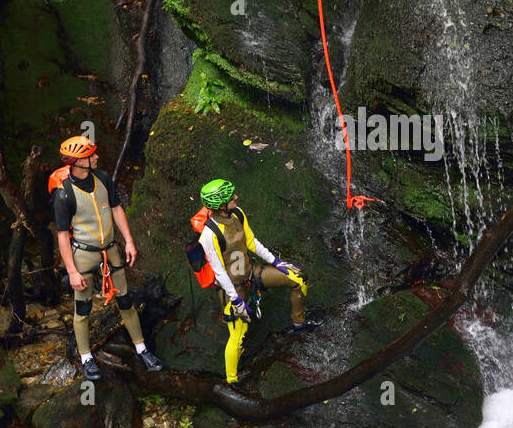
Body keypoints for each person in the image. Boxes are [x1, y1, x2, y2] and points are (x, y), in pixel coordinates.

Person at [51, 136, 163, 381]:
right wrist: (71, 271)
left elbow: (116, 209)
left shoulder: (103, 179)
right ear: (79, 161)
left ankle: (142, 349)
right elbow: (62, 235)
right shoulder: (64, 194)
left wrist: (129, 241)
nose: (96, 157)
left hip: (111, 250)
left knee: (125, 300)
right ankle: (86, 357)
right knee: (83, 308)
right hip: (84, 254)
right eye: (91, 154)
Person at [194, 179, 319, 391]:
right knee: (237, 335)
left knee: (297, 278)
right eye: (231, 197)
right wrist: (236, 301)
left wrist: (276, 262)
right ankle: (231, 382)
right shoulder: (209, 234)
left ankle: (299, 325)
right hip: (233, 287)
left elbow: (252, 242)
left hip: (252, 272)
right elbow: (219, 272)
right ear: (220, 204)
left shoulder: (238, 214)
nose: (236, 198)